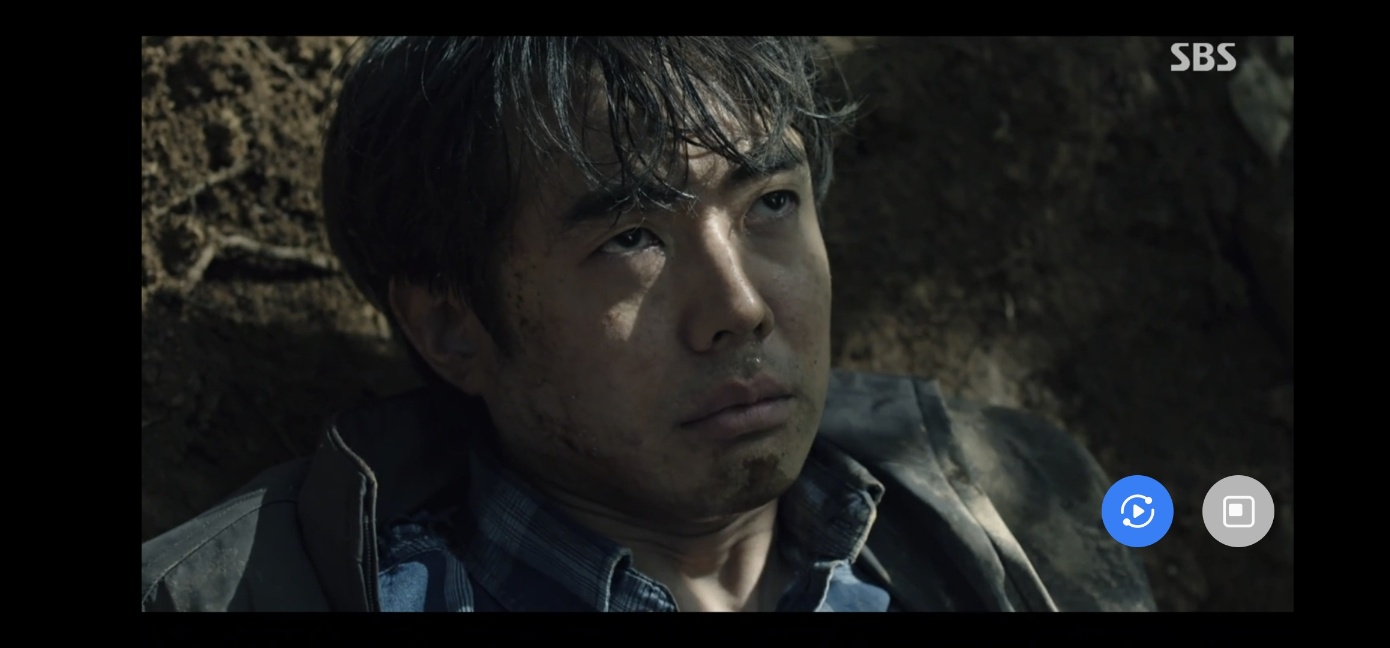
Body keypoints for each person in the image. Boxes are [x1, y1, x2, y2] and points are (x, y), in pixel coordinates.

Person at [139, 36, 1157, 612]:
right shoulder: (226, 597)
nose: (740, 307)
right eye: (633, 238)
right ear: (454, 329)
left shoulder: (1024, 515)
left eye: (771, 204)